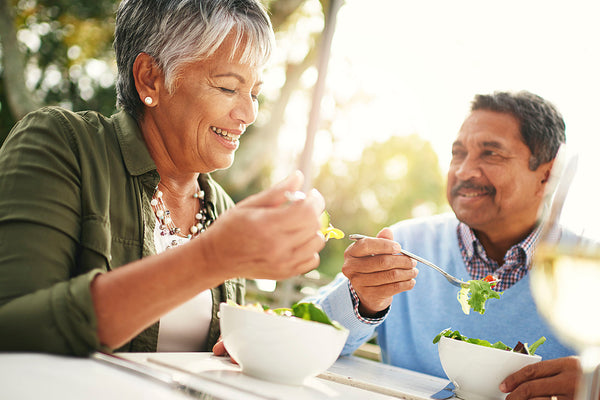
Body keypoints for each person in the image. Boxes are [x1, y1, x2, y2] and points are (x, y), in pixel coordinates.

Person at [0, 0, 326, 356]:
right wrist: (210, 258)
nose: (248, 113)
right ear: (149, 77)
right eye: (228, 88)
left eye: (254, 93)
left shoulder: (223, 209)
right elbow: (13, 325)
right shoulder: (62, 145)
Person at [307, 91, 583, 399]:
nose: (464, 171)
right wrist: (364, 302)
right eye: (458, 153)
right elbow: (306, 337)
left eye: (491, 154)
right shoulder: (404, 246)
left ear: (548, 173)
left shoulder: (583, 265)